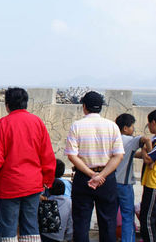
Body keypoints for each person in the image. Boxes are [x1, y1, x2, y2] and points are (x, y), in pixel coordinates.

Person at [0, 88, 56, 242]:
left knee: (7, 227)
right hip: (33, 184)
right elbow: (47, 155)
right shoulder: (37, 123)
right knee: (30, 226)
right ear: (25, 103)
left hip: (8, 186)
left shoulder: (2, 125)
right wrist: (48, 180)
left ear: (7, 105)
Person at [65, 91, 124, 242]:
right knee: (108, 222)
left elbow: (72, 155)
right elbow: (118, 155)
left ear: (84, 106)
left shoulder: (76, 126)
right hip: (107, 178)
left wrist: (92, 175)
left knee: (81, 221)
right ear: (101, 107)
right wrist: (101, 175)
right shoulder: (112, 126)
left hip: (84, 177)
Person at [115, 113, 152, 242]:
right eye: (132, 127)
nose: (133, 130)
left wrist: (141, 153)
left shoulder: (113, 138)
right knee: (127, 216)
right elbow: (146, 139)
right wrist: (149, 156)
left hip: (110, 183)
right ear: (125, 128)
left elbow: (128, 154)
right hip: (124, 184)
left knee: (111, 215)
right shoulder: (129, 139)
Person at [140, 110, 156, 242]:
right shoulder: (155, 139)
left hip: (154, 183)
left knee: (147, 218)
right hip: (150, 182)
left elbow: (148, 160)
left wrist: (143, 147)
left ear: (153, 123)